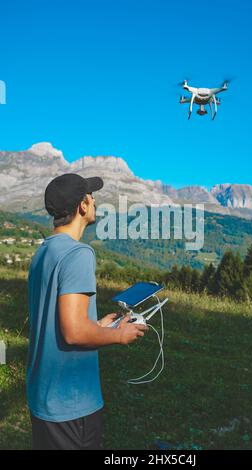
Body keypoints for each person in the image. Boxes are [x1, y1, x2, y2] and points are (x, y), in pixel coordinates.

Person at [26, 173, 148, 450]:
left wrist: (98, 325)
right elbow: (74, 332)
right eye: (91, 196)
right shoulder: (78, 253)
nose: (94, 200)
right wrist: (120, 336)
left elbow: (58, 322)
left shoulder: (43, 252)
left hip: (42, 398)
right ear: (82, 206)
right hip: (72, 404)